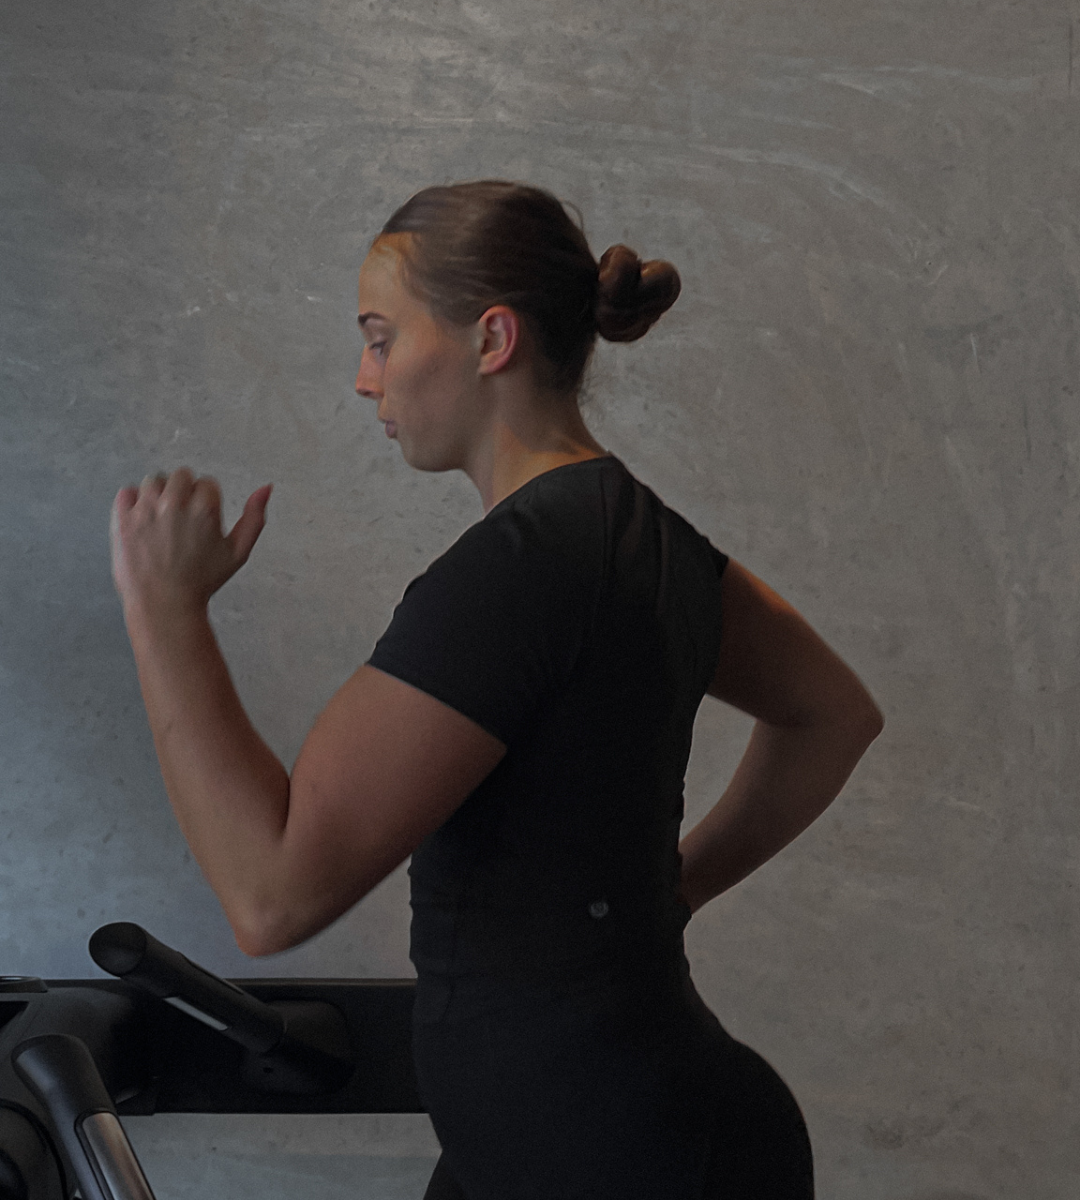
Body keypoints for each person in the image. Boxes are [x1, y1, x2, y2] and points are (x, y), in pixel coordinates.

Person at [110, 180, 883, 1199]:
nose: (362, 376)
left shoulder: (518, 571)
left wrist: (166, 617)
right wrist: (674, 889)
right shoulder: (644, 541)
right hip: (606, 1141)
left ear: (492, 340)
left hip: (618, 1159)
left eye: (381, 337)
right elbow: (835, 714)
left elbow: (272, 893)